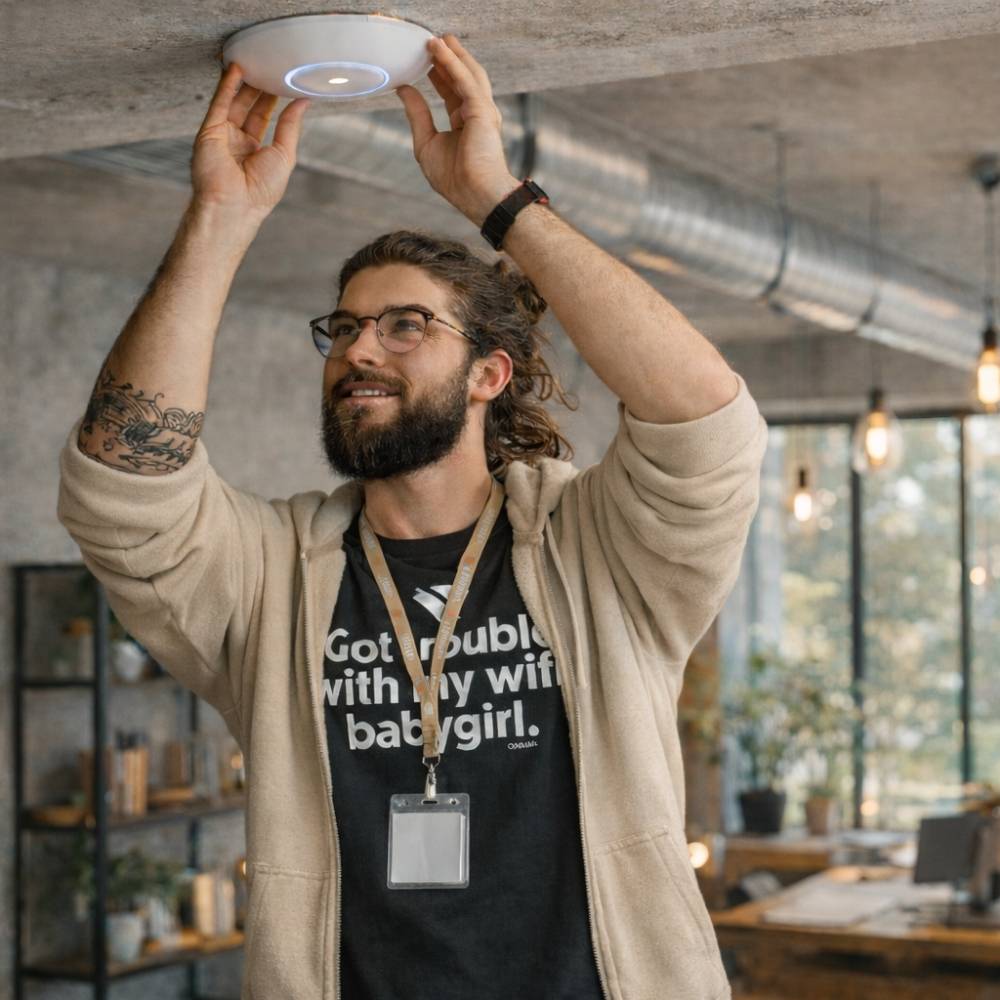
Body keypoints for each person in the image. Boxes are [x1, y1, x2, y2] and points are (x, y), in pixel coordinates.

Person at [58, 31, 766, 1000]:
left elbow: (705, 422)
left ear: (488, 373)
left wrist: (496, 200)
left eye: (405, 325)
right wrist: (221, 218)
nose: (359, 349)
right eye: (344, 327)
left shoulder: (599, 551)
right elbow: (122, 488)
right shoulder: (271, 578)